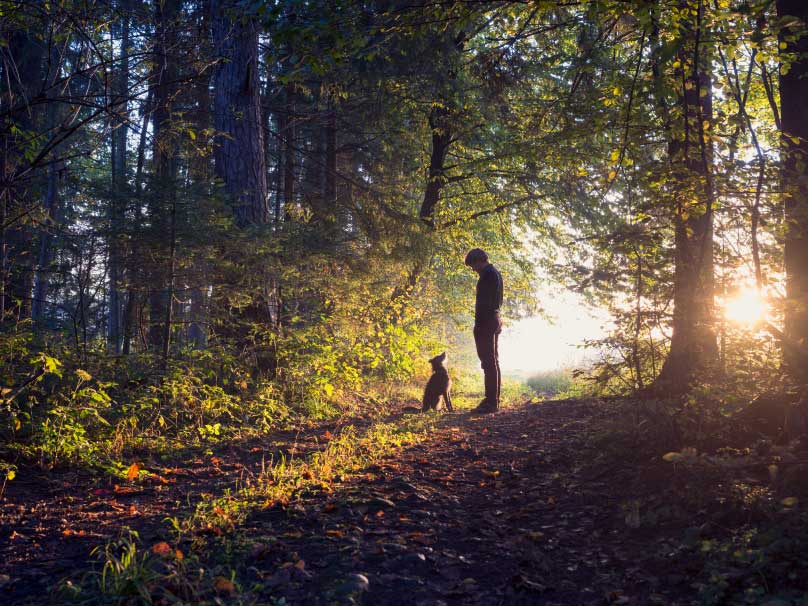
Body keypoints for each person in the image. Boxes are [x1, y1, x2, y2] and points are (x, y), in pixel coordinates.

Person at [465, 248, 503, 413]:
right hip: (494, 318)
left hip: (486, 321)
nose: (474, 269)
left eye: (473, 265)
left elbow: (484, 303)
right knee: (492, 361)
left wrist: (479, 324)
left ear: (479, 260)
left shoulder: (488, 274)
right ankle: (493, 400)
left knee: (488, 362)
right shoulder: (495, 273)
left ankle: (490, 402)